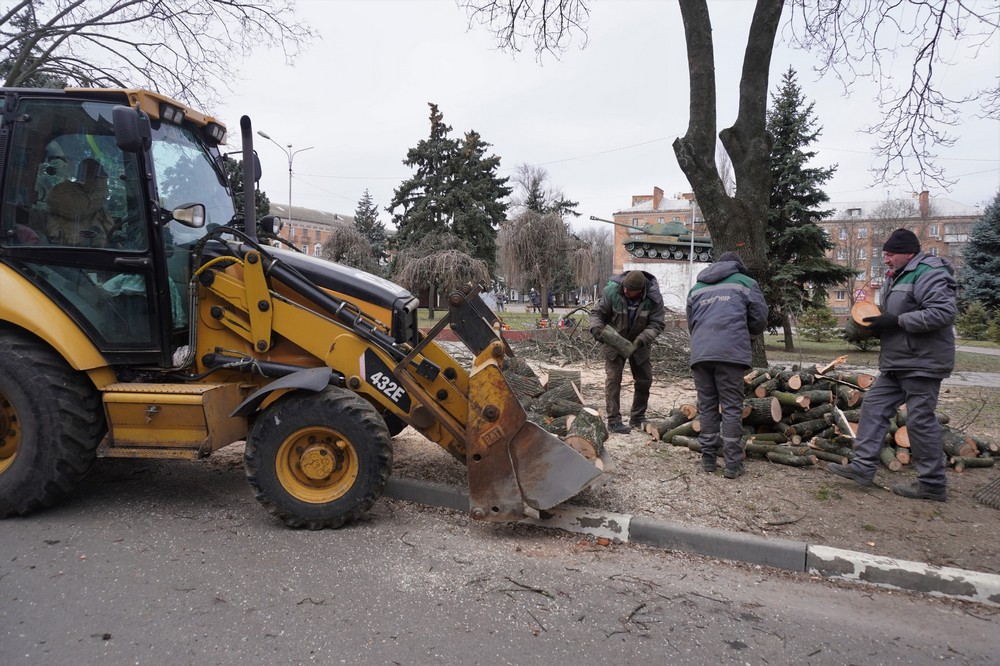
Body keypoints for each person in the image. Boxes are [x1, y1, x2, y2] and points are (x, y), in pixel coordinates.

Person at [826, 228, 957, 501]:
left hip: (923, 362)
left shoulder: (929, 272)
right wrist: (876, 326)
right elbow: (894, 315)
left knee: (919, 421)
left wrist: (896, 321)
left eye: (890, 254)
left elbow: (942, 313)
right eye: (884, 254)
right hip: (897, 361)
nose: (885, 259)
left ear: (908, 253)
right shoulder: (895, 276)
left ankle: (932, 484)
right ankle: (863, 468)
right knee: (873, 407)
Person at [686, 251, 768, 479]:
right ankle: (732, 464)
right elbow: (760, 318)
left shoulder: (697, 288)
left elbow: (692, 323)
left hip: (701, 354)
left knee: (707, 406)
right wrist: (747, 336)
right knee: (731, 407)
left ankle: (708, 459)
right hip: (731, 353)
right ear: (737, 266)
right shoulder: (746, 283)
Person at [589, 270, 666, 434]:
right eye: (624, 287)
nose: (625, 291)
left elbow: (657, 324)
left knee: (645, 379)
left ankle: (638, 416)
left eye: (630, 290)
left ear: (640, 290)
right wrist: (596, 327)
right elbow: (597, 313)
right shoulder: (612, 292)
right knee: (613, 379)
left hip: (640, 342)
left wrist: (641, 340)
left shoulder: (653, 298)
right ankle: (614, 420)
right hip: (614, 339)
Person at [45, 158, 114, 247]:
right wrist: (101, 190)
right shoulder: (63, 191)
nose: (99, 183)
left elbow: (111, 233)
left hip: (95, 251)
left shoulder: (96, 206)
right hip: (64, 249)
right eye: (98, 179)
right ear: (84, 177)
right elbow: (80, 210)